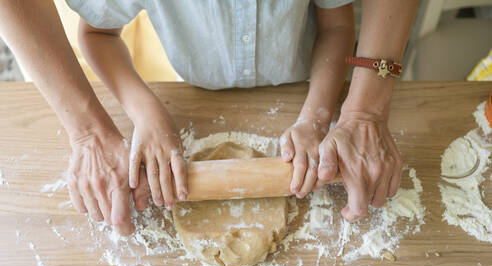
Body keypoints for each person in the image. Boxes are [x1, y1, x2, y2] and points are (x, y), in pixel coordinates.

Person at [0, 0, 418, 236]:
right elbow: (96, 34)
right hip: (193, 87)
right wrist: (145, 113)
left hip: (302, 80)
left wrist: (318, 116)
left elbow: (337, 24)